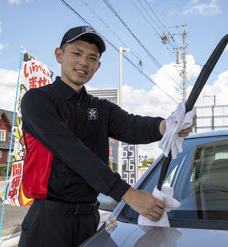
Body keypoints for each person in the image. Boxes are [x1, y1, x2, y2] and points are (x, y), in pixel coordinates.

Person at [18, 26, 195, 247]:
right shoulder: (38, 100)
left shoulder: (100, 108)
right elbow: (72, 151)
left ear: (98, 66)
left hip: (90, 218)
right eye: (77, 53)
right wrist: (127, 194)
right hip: (48, 221)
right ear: (59, 55)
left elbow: (132, 125)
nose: (84, 62)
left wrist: (167, 126)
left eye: (92, 58)